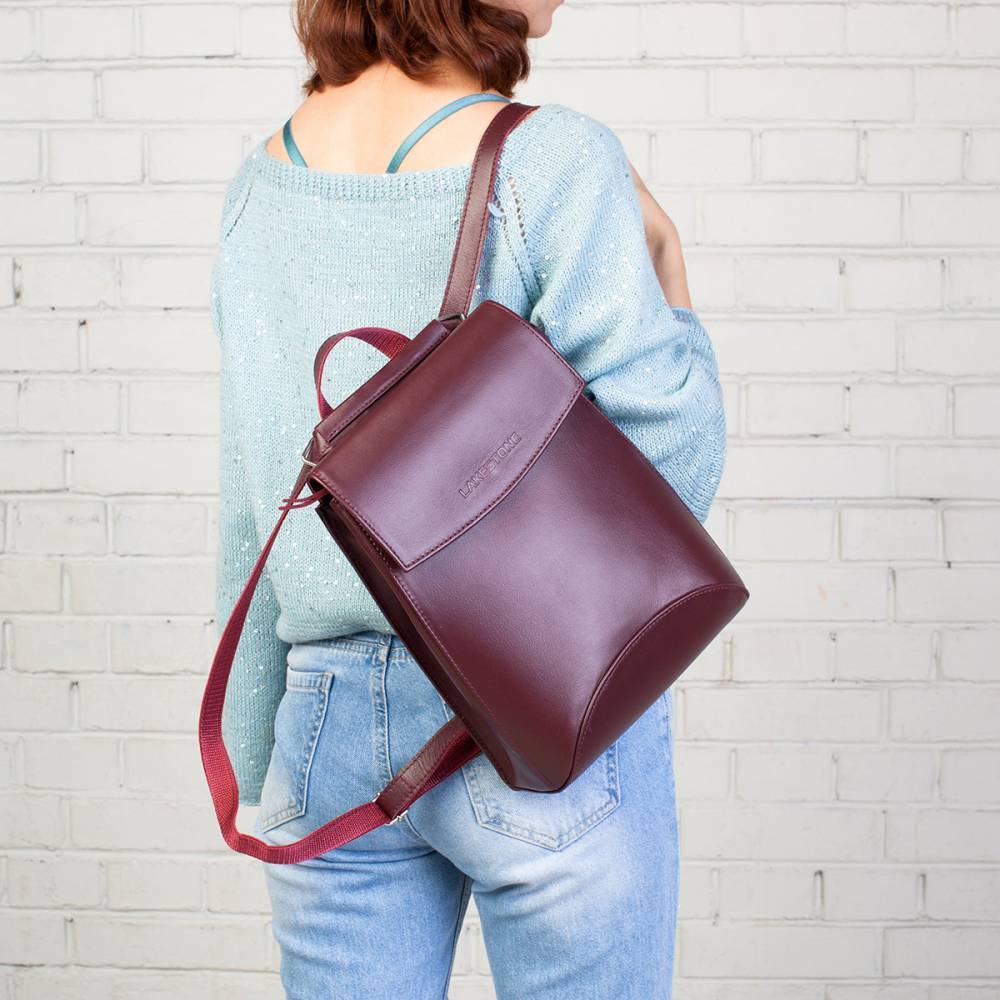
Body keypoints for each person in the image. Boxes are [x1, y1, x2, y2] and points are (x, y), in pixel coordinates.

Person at [210, 0, 727, 996]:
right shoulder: (553, 160)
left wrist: (255, 748)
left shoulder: (255, 188)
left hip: (324, 727)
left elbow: (253, 503)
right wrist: (668, 266)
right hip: (536, 710)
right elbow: (673, 466)